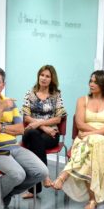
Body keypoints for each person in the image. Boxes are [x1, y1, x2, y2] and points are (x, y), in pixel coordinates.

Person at [0, 67, 49, 209]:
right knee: (18, 174)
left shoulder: (10, 103)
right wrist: (0, 109)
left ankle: (1, 192)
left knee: (42, 172)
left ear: (3, 85)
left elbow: (20, 129)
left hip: (14, 148)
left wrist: (0, 127)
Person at [52, 71, 104, 209]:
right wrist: (101, 133)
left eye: (95, 82)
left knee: (94, 141)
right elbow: (80, 124)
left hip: (100, 140)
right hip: (89, 138)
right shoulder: (82, 100)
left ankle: (64, 175)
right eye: (91, 81)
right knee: (92, 150)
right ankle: (92, 199)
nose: (91, 84)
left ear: (103, 84)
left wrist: (90, 134)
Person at [20, 65, 66, 199]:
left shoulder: (56, 95)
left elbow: (58, 118)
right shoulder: (30, 94)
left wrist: (38, 123)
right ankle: (45, 176)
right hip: (33, 132)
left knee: (35, 144)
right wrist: (43, 126)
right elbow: (26, 117)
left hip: (51, 135)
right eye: (42, 75)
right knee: (33, 135)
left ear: (52, 79)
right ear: (38, 76)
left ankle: (34, 189)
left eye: (47, 76)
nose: (44, 78)